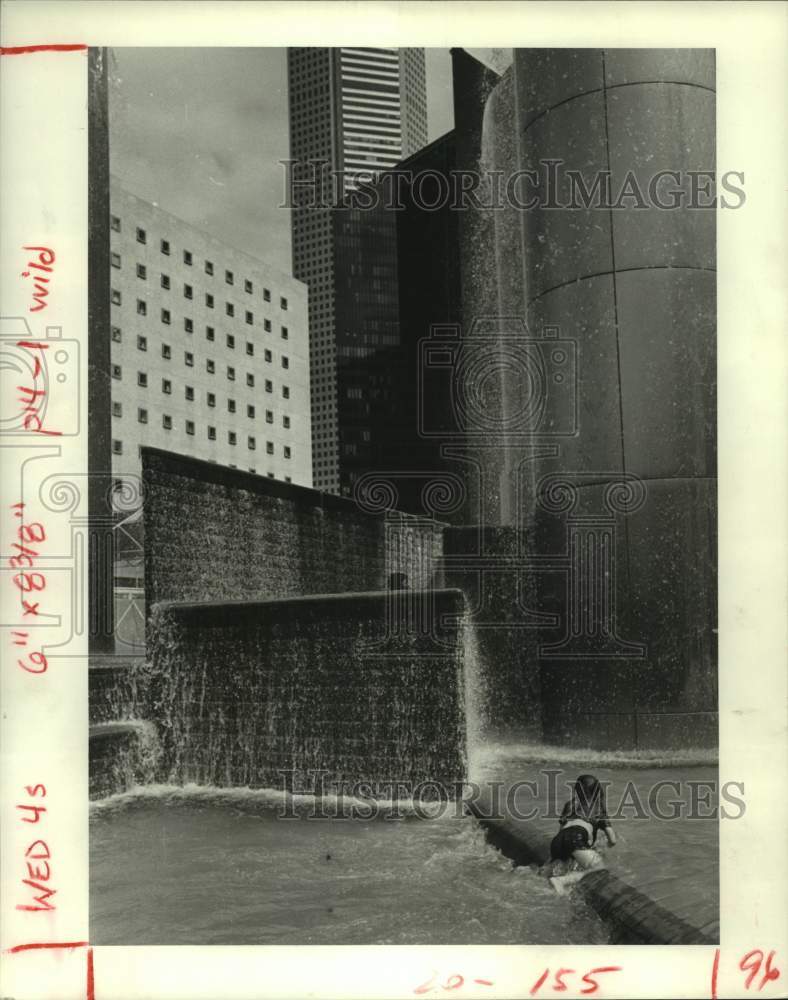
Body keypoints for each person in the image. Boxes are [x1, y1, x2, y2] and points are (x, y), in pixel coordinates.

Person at [548, 773, 617, 895]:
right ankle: (562, 881)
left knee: (567, 864)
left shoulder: (569, 804)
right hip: (575, 837)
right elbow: (612, 839)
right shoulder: (598, 807)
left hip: (557, 841)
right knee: (599, 867)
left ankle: (558, 882)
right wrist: (602, 848)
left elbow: (562, 831)